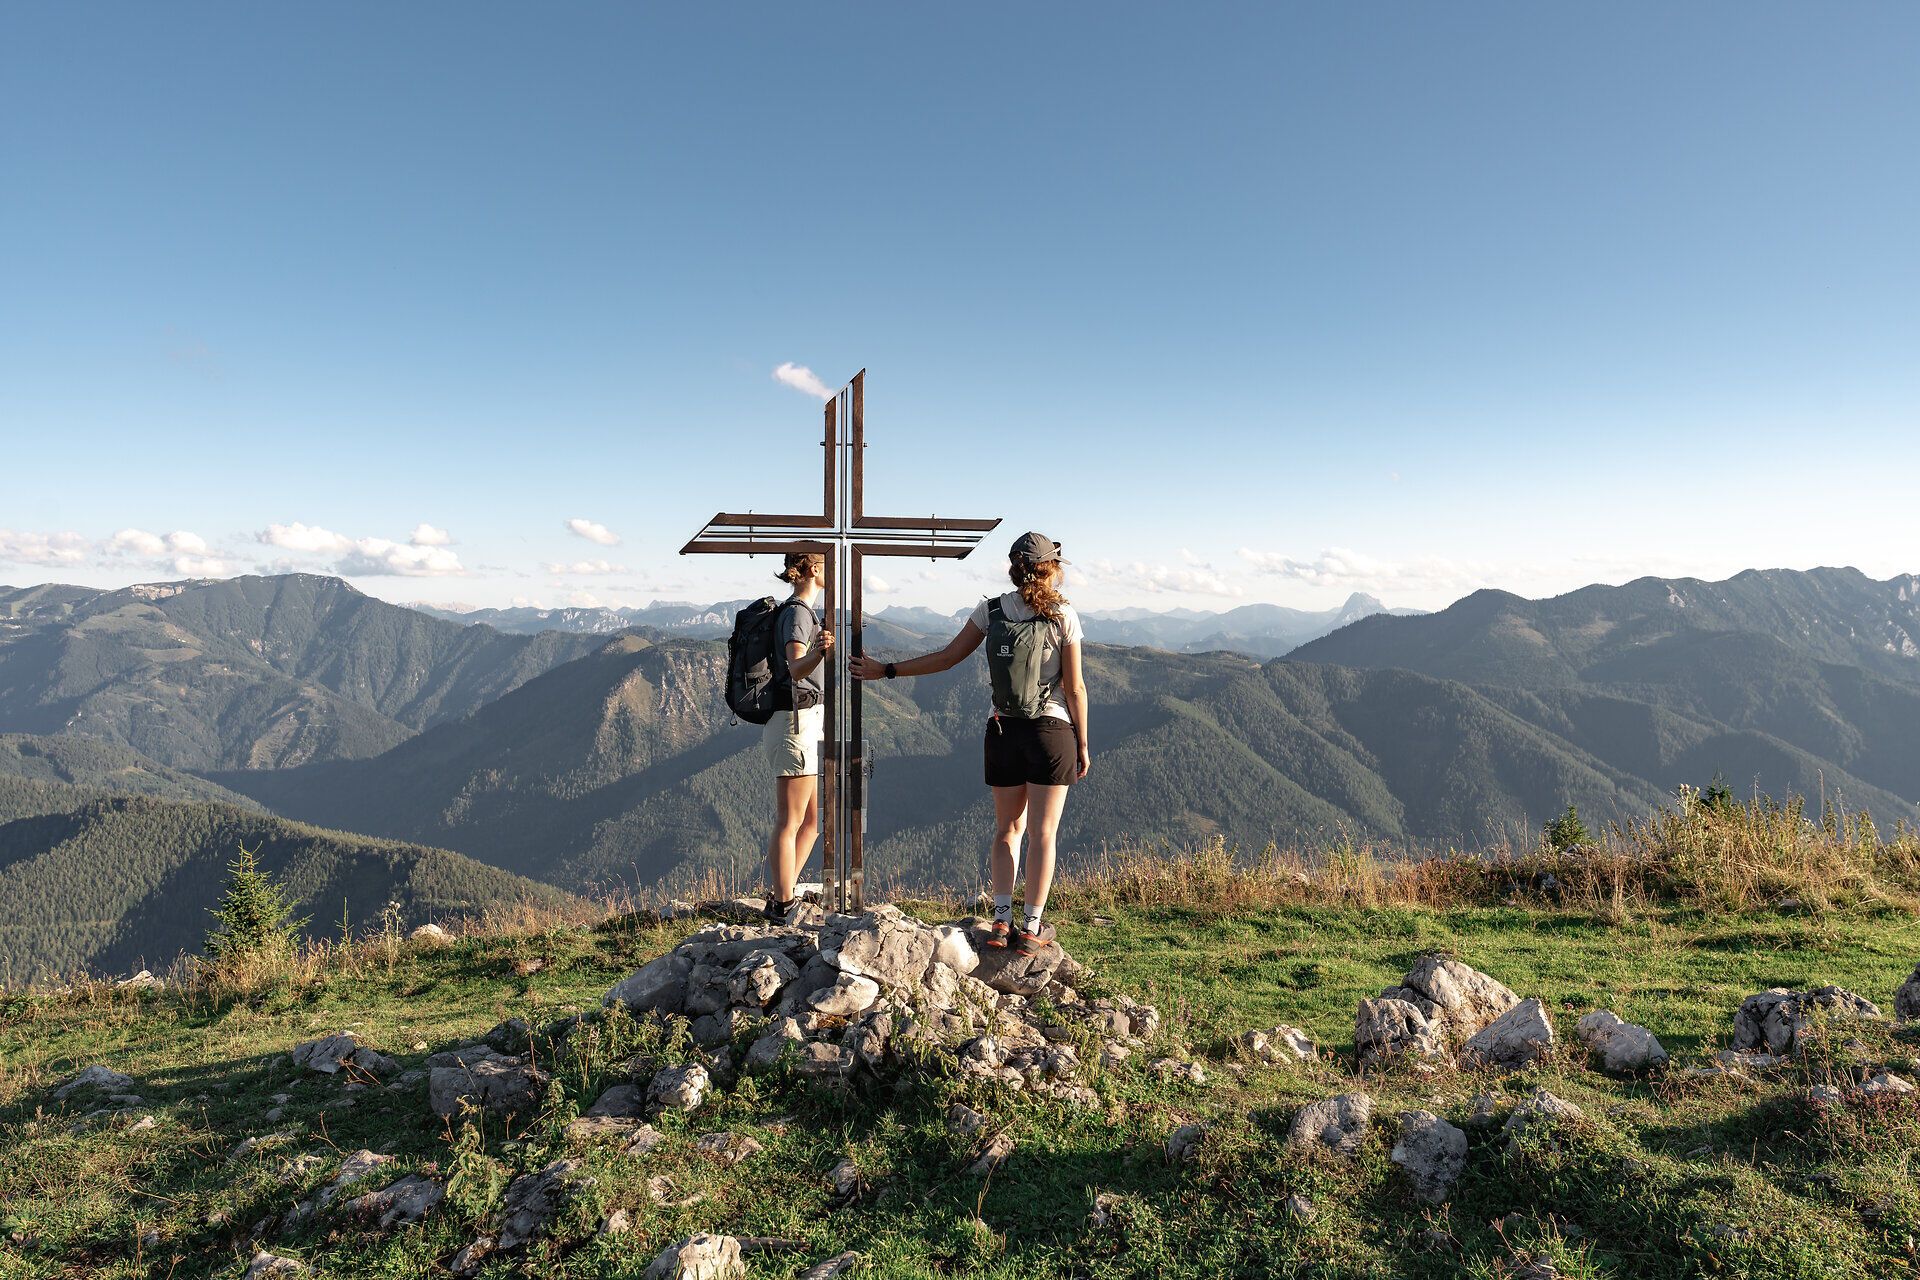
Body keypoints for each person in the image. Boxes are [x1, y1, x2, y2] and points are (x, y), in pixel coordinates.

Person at [852, 531, 1087, 954]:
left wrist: (884, 669)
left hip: (1002, 732)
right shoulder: (1063, 616)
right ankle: (1031, 928)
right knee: (1043, 833)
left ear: (1015, 568)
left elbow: (945, 658)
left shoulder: (991, 610)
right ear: (1052, 568)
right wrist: (1083, 743)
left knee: (1006, 830)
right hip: (1051, 734)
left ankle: (1000, 921)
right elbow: (1076, 689)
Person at [764, 551, 833, 922]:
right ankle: (782, 904)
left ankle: (783, 895)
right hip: (795, 722)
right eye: (827, 564)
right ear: (814, 568)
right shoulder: (797, 613)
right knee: (791, 820)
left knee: (809, 822)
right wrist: (821, 651)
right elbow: (794, 667)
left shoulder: (801, 611)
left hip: (800, 719)